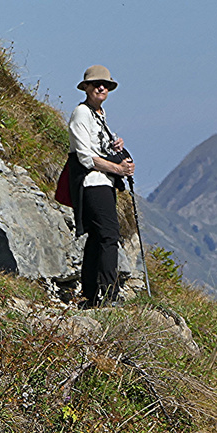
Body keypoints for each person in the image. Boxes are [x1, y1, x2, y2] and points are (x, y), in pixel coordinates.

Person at [69, 65, 133, 307]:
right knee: (109, 235)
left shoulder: (99, 114)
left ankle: (90, 296)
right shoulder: (82, 114)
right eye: (96, 84)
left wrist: (114, 148)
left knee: (97, 237)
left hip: (102, 182)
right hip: (92, 182)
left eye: (105, 84)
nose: (101, 87)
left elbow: (95, 149)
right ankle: (107, 294)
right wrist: (118, 169)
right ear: (86, 87)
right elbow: (84, 156)